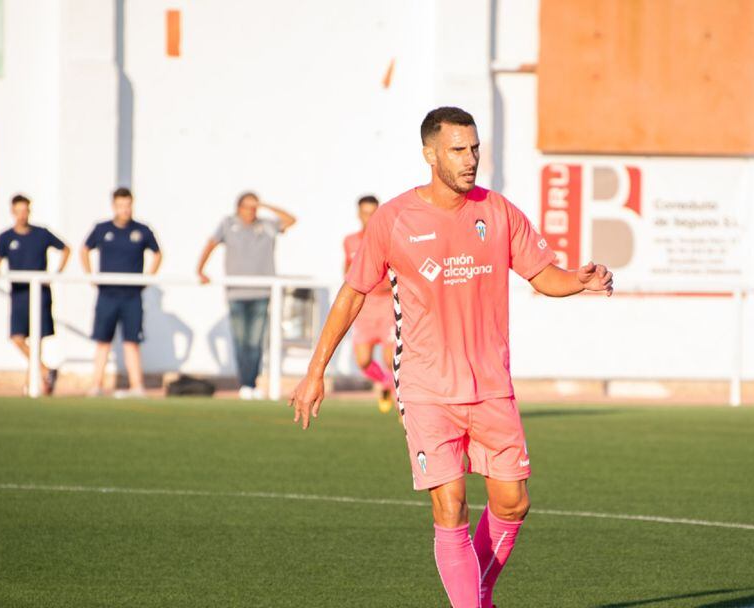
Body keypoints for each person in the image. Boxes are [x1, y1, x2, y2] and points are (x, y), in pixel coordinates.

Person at [290, 107, 613, 608]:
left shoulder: (498, 211)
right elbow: (353, 293)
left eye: (475, 148)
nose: (470, 159)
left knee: (514, 501)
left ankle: (476, 596)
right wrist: (316, 372)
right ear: (430, 154)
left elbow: (542, 274)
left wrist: (579, 280)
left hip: (490, 385)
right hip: (426, 387)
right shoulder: (394, 219)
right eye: (458, 150)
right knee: (452, 505)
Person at [197, 192, 296, 400]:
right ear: (238, 207)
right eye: (247, 207)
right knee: (241, 341)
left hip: (261, 293)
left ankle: (252, 383)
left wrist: (265, 204)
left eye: (254, 207)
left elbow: (291, 220)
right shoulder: (227, 224)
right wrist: (200, 270)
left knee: (256, 341)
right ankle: (245, 383)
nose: (251, 211)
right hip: (236, 293)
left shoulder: (267, 225)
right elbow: (210, 244)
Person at [80, 187, 163, 398]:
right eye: (120, 206)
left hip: (131, 296)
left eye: (127, 205)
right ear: (114, 206)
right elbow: (84, 249)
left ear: (132, 205)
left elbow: (158, 253)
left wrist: (147, 278)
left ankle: (137, 386)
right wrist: (91, 276)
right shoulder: (102, 229)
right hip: (107, 294)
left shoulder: (142, 230)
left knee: (132, 341)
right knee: (102, 340)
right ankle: (96, 385)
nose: (124, 210)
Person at [0, 194, 70, 395]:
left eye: (25, 210)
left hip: (40, 294)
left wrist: (56, 273)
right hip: (19, 294)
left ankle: (33, 385)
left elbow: (66, 249)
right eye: (18, 211)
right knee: (17, 337)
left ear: (29, 211)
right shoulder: (6, 237)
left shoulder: (41, 234)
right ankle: (45, 371)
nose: (22, 215)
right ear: (12, 212)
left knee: (36, 340)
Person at [343, 195, 396, 413]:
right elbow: (346, 268)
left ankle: (401, 406)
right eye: (365, 213)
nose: (369, 217)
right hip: (364, 306)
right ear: (359, 214)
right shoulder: (350, 241)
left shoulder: (389, 239)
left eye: (373, 212)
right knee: (363, 361)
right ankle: (384, 383)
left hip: (386, 305)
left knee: (390, 358)